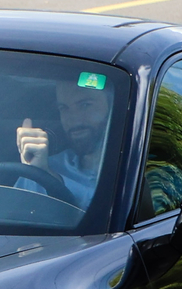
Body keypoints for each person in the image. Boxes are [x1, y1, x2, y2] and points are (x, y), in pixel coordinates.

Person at [13, 73, 111, 208]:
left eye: (85, 105)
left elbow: (111, 214)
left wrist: (54, 181)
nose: (73, 119)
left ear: (112, 108)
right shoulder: (45, 165)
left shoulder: (135, 169)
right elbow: (12, 217)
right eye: (64, 108)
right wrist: (37, 174)